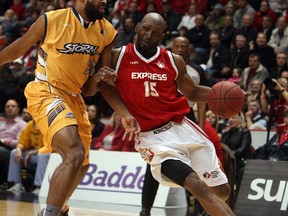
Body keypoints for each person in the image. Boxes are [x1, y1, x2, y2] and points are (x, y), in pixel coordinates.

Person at [0, 1, 138, 216]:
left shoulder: (107, 31)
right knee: (73, 153)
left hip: (75, 97)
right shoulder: (51, 20)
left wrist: (124, 112)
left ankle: (59, 207)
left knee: (81, 163)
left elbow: (93, 88)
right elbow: (17, 48)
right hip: (46, 91)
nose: (105, 2)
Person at [113, 12, 234, 216]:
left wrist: (226, 96)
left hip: (182, 126)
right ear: (137, 27)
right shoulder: (118, 55)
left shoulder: (173, 60)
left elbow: (194, 92)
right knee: (197, 187)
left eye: (156, 32)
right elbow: (103, 87)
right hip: (151, 137)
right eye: (146, 29)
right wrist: (122, 111)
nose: (149, 35)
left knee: (222, 191)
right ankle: (146, 209)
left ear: (163, 37)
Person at [139, 36, 209, 216]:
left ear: (189, 49)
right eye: (176, 46)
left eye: (183, 46)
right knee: (156, 162)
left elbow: (201, 98)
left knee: (196, 161)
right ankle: (145, 209)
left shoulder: (197, 70)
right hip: (164, 118)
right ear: (171, 48)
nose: (179, 49)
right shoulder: (160, 65)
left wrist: (201, 124)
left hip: (188, 116)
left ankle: (200, 207)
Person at [6, 119, 49, 195]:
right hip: (33, 155)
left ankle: (38, 186)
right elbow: (23, 141)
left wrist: (31, 153)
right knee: (14, 152)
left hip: (47, 155)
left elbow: (49, 146)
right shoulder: (30, 125)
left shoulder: (48, 124)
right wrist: (19, 149)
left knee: (41, 155)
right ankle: (16, 184)